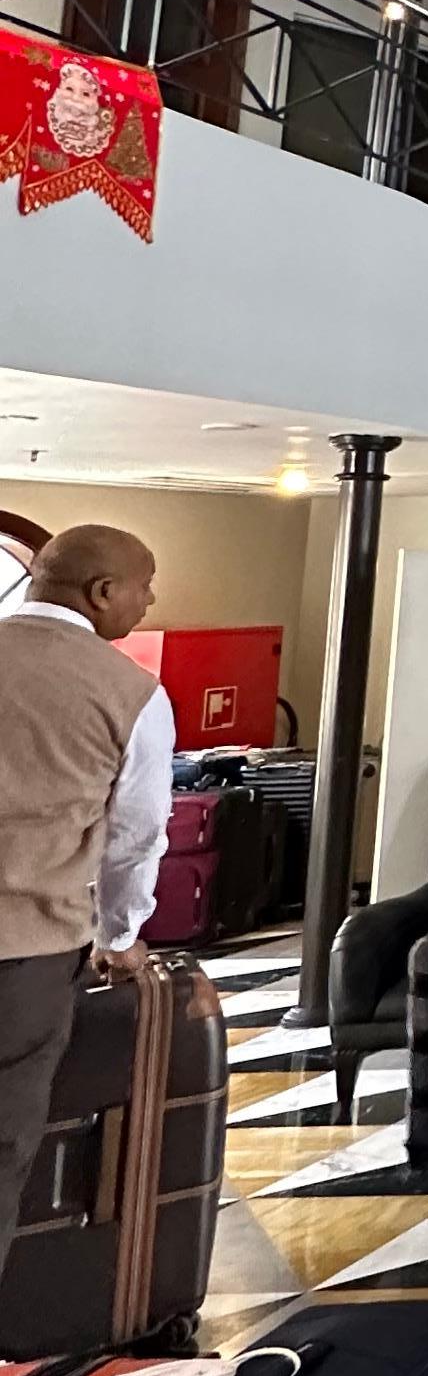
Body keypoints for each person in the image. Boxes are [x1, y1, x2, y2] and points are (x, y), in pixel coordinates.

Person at [0, 523, 169, 1281]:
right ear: (102, 593)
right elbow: (135, 836)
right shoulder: (130, 691)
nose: (148, 600)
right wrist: (121, 933)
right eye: (144, 586)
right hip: (25, 955)